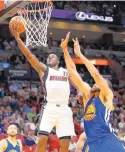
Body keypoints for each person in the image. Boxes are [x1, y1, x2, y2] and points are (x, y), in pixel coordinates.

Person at [9, 24, 75, 152]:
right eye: (48, 57)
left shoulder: (65, 72)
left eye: (52, 56)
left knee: (65, 145)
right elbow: (29, 55)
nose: (49, 57)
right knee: (42, 140)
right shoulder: (45, 70)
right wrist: (18, 39)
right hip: (49, 107)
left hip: (65, 108)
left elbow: (77, 79)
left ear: (58, 60)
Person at [60, 32, 125, 152]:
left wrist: (79, 55)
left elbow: (95, 74)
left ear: (106, 86)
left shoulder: (106, 96)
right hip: (92, 143)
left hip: (107, 141)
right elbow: (72, 72)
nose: (94, 84)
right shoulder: (88, 97)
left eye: (97, 83)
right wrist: (64, 50)